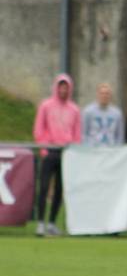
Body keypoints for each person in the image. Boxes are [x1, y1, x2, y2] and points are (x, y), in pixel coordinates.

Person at [33, 73, 81, 236]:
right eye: (61, 86)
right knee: (44, 186)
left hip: (66, 152)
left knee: (60, 189)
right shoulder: (46, 106)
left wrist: (73, 148)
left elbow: (77, 132)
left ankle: (52, 222)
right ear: (56, 87)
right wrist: (43, 148)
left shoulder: (74, 109)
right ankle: (40, 222)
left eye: (66, 87)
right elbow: (39, 128)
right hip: (49, 149)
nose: (63, 90)